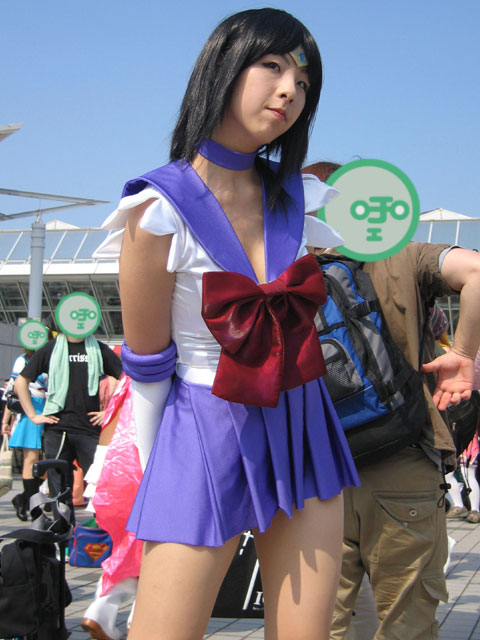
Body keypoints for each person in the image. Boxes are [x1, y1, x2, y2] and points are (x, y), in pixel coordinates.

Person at [96, 9, 360, 639]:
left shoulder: (300, 197)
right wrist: (155, 467)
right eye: (272, 66)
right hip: (199, 423)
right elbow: (148, 362)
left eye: (304, 80)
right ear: (222, 65)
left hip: (305, 421)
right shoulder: (156, 209)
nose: (290, 90)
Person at [303, 161, 480, 640]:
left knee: (321, 625)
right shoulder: (406, 255)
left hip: (317, 472)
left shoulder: (281, 270)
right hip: (403, 460)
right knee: (407, 624)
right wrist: (463, 354)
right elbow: (477, 272)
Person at [15, 332, 122, 502]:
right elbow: (21, 381)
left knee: (98, 486)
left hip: (90, 428)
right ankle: (61, 518)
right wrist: (33, 416)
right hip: (57, 429)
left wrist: (110, 411)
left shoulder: (99, 349)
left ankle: (99, 520)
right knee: (58, 489)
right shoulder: (51, 348)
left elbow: (127, 380)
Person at [2, 349, 48, 520]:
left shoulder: (52, 356)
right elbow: (13, 391)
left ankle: (23, 498)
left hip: (50, 408)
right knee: (31, 460)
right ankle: (35, 509)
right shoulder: (22, 360)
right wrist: (5, 421)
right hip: (31, 408)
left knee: (48, 463)